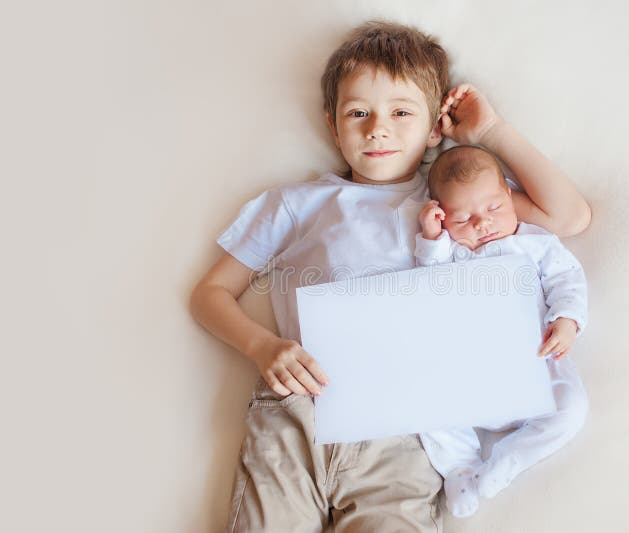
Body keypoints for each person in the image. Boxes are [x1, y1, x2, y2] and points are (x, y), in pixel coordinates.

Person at [189, 21, 591, 532]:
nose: (377, 128)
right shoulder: (296, 204)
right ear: (333, 125)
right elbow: (210, 294)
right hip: (300, 410)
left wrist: (490, 133)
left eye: (401, 113)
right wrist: (263, 347)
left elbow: (570, 218)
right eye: (358, 113)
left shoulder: (453, 195)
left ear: (433, 130)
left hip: (409, 428)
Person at [415, 145, 589, 518]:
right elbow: (428, 283)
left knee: (572, 410)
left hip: (536, 361)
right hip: (469, 370)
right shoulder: (452, 252)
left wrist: (566, 320)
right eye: (462, 219)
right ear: (444, 218)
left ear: (509, 196)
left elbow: (566, 279)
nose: (481, 224)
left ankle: (505, 463)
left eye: (493, 208)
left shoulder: (534, 243)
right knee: (425, 403)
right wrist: (430, 239)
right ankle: (460, 468)